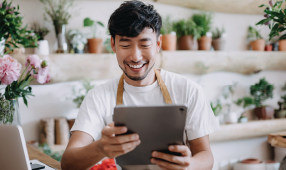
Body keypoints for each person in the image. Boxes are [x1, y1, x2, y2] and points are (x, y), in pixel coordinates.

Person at [61, 1, 219, 169]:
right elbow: (68, 163)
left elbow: (206, 156)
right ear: (113, 45)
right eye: (125, 45)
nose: (135, 56)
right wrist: (100, 148)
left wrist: (189, 165)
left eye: (144, 44)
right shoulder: (98, 96)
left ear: (158, 44)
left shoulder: (189, 90)